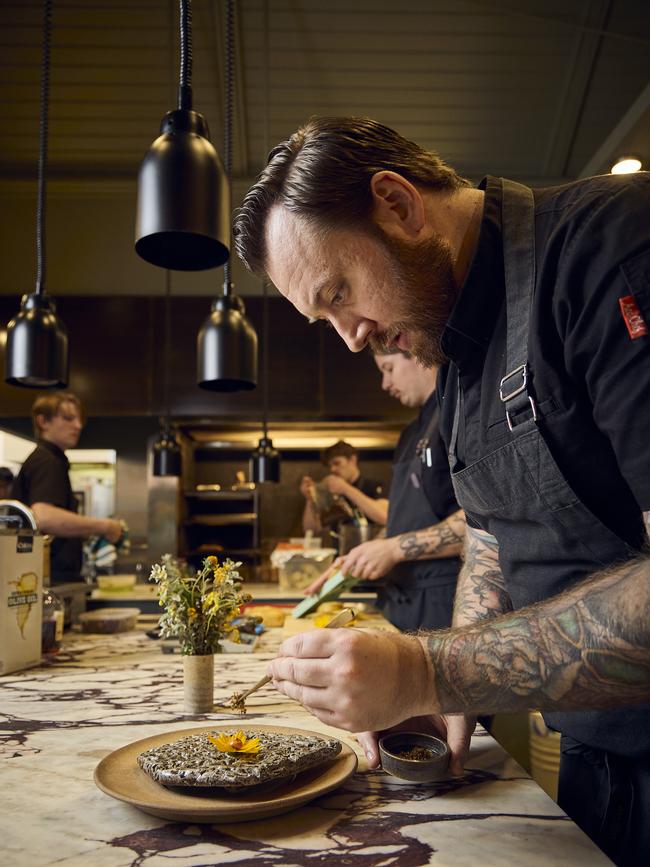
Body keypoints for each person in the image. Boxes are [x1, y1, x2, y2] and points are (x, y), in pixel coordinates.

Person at [233, 116, 650, 865]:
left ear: (396, 202)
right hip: (599, 761)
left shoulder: (609, 243)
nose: (349, 338)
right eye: (320, 317)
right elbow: (491, 533)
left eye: (338, 293)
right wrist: (447, 693)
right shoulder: (457, 351)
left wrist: (433, 668)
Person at [307, 350, 465, 630]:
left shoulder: (459, 414)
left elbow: (483, 522)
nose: (384, 383)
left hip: (445, 603)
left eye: (388, 368)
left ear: (416, 354)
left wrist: (392, 549)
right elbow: (401, 520)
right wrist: (359, 557)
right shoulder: (409, 435)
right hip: (401, 600)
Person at [12, 393, 124, 584]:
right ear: (43, 421)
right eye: (68, 418)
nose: (78, 426)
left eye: (79, 419)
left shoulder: (52, 459)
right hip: (46, 579)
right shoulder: (47, 460)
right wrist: (105, 526)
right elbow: (44, 517)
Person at [300, 439, 388, 539]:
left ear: (352, 460)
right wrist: (310, 499)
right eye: (330, 466)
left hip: (369, 549)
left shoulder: (374, 487)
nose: (332, 469)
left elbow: (384, 517)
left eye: (337, 463)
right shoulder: (329, 494)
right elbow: (311, 531)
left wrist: (346, 489)